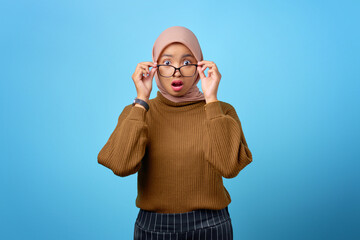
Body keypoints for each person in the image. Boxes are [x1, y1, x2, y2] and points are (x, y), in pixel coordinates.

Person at [97, 26, 253, 240]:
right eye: (167, 63)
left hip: (212, 226)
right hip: (154, 228)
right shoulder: (138, 112)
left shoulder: (221, 110)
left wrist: (212, 100)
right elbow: (121, 166)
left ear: (200, 66)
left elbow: (229, 167)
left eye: (187, 62)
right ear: (154, 66)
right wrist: (141, 100)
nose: (176, 71)